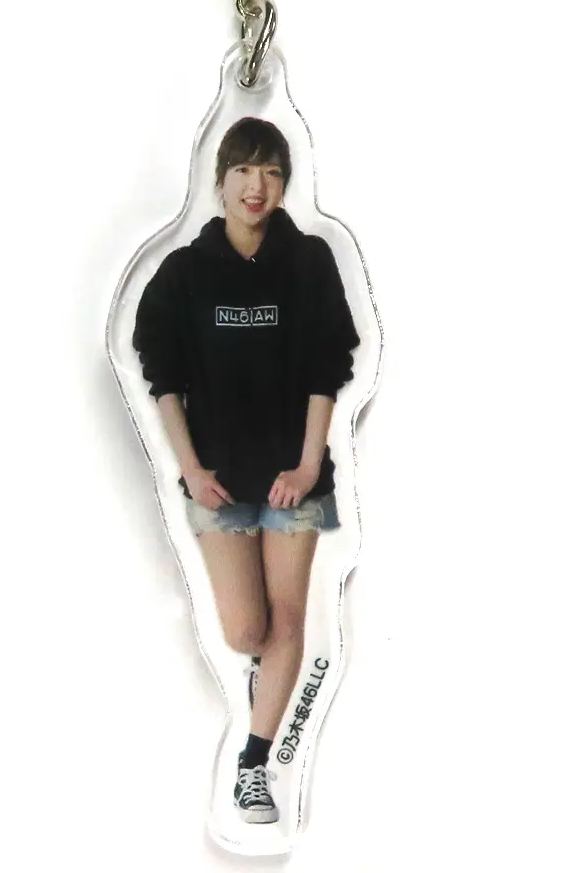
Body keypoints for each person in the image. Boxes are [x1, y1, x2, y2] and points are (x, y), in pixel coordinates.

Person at [132, 117, 360, 824]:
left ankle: (253, 766)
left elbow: (327, 369)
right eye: (243, 170)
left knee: (288, 620)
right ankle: (267, 669)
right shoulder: (184, 272)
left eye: (271, 172)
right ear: (220, 179)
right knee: (245, 632)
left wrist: (307, 464)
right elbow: (163, 380)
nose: (256, 186)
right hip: (219, 482)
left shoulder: (309, 261)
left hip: (296, 478)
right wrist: (192, 470)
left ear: (285, 183)